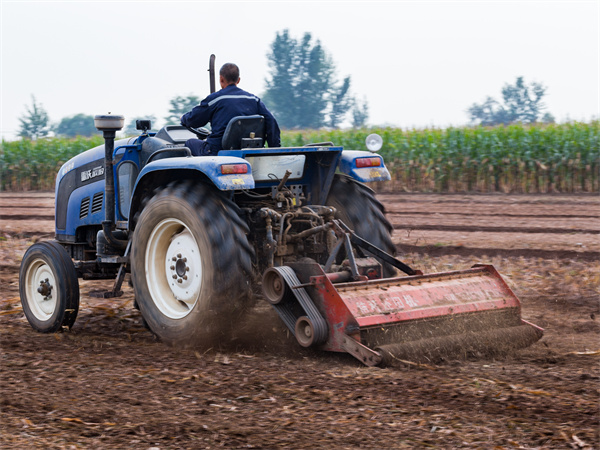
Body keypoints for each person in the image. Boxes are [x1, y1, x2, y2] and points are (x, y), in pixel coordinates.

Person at [181, 63, 281, 156]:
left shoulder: (215, 99)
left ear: (221, 79)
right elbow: (271, 121)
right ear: (238, 80)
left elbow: (194, 120)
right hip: (248, 151)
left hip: (217, 151)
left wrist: (184, 119)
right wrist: (274, 150)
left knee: (190, 143)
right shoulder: (254, 100)